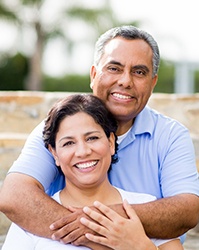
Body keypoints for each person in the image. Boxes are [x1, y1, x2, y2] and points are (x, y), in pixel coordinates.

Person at [0, 25, 199, 246]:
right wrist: (100, 237)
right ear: (94, 75)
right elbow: (14, 196)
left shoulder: (171, 136)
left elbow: (187, 209)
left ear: (153, 83)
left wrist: (99, 224)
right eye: (114, 68)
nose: (125, 81)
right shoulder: (58, 127)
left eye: (139, 72)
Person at [2, 94, 183, 250]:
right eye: (69, 143)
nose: (83, 151)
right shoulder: (31, 219)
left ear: (111, 143)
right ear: (54, 153)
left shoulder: (145, 206)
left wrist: (140, 246)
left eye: (92, 138)